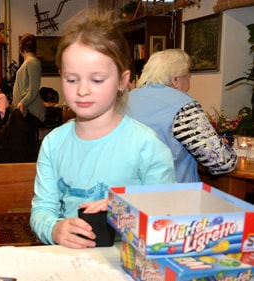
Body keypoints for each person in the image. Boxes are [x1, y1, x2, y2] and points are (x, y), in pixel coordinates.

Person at [30, 8, 176, 249]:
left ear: (122, 80)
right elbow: (42, 210)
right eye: (71, 79)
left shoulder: (146, 145)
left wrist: (123, 212)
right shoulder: (53, 144)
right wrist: (54, 229)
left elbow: (167, 217)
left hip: (127, 262)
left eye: (97, 80)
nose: (82, 90)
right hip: (70, 261)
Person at [127, 48, 237, 183]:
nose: (189, 82)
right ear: (175, 80)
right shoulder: (183, 107)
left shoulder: (125, 100)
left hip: (127, 192)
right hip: (172, 195)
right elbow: (222, 163)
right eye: (188, 76)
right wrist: (226, 145)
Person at [12, 33, 45, 162]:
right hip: (25, 111)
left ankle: (31, 175)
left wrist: (22, 103)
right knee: (26, 145)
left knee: (30, 146)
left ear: (21, 48)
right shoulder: (29, 62)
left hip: (29, 111)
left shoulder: (32, 63)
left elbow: (33, 89)